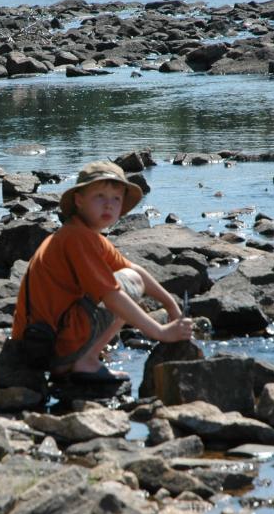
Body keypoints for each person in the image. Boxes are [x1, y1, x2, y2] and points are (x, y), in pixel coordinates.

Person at [10, 161, 194, 384]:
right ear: (79, 200)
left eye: (116, 199)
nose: (109, 205)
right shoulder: (78, 238)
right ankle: (84, 361)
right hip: (49, 347)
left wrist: (171, 307)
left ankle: (81, 356)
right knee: (127, 284)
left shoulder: (82, 234)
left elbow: (135, 268)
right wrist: (160, 332)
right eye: (100, 196)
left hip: (37, 341)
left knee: (129, 276)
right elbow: (112, 295)